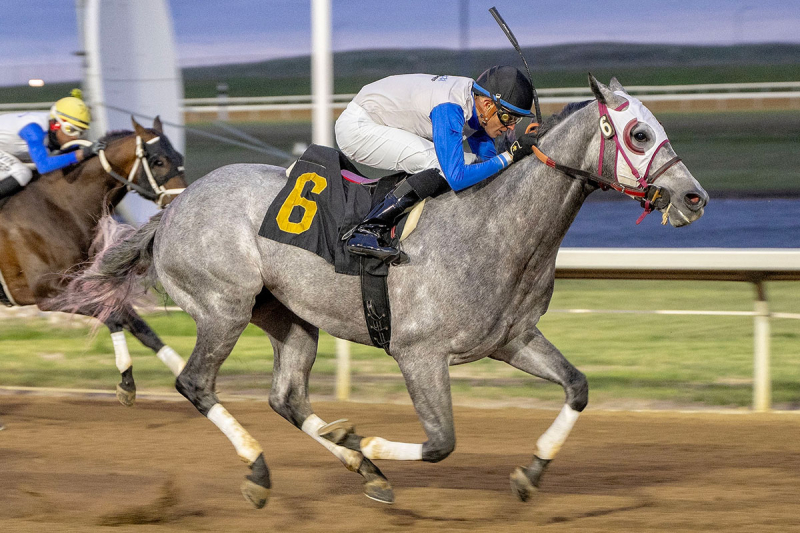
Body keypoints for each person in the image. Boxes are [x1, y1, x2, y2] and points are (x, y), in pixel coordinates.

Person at [335, 66, 540, 263]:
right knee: (440, 164)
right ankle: (369, 229)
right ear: (487, 105)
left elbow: (487, 164)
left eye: (517, 120)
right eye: (508, 117)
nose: (512, 126)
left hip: (376, 119)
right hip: (358, 128)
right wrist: (510, 156)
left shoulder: (475, 101)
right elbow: (457, 177)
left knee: (470, 162)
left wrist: (510, 158)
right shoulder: (450, 107)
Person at [0, 90, 104, 200]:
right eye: (71, 130)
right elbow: (43, 166)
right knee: (22, 173)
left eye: (81, 132)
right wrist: (81, 154)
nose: (75, 137)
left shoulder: (52, 126)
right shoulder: (34, 131)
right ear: (56, 124)